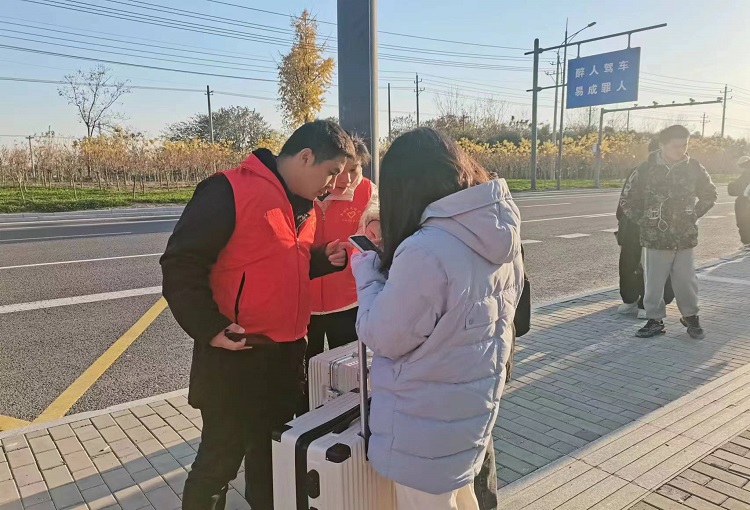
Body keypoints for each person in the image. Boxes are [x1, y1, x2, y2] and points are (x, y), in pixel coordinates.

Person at [160, 120, 355, 510]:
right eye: (331, 172)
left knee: (272, 463)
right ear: (305, 156)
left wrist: (320, 259)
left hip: (286, 359)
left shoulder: (304, 207)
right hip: (236, 355)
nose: (334, 184)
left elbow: (277, 264)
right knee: (218, 464)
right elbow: (181, 264)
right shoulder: (227, 190)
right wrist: (210, 327)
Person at [351, 128, 524, 510]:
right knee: (462, 497)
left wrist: (366, 271)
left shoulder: (425, 249)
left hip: (424, 424)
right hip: (469, 409)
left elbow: (383, 335)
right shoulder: (496, 229)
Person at [303, 135, 379, 413]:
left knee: (349, 374)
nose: (344, 180)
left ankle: (348, 420)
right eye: (339, 171)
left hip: (348, 302)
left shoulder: (369, 192)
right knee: (303, 375)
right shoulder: (304, 190)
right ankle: (303, 424)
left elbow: (378, 232)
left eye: (354, 170)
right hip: (304, 303)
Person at [620, 125, 717, 339]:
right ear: (662, 145)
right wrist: (644, 220)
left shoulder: (694, 167)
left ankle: (690, 316)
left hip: (684, 236)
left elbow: (710, 194)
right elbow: (627, 199)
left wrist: (694, 214)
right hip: (655, 237)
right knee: (653, 282)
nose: (681, 150)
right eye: (676, 146)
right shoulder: (646, 169)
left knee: (686, 281)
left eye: (685, 145)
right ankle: (654, 320)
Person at [616, 138, 675, 320]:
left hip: (654, 228)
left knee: (649, 266)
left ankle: (643, 303)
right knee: (633, 263)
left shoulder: (674, 173)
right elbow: (625, 198)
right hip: (639, 226)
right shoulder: (643, 170)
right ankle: (633, 300)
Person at [728, 156, 750, 249]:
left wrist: (731, 184)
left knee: (743, 222)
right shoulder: (744, 176)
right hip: (745, 201)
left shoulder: (745, 176)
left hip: (745, 202)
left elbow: (733, 190)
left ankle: (747, 243)